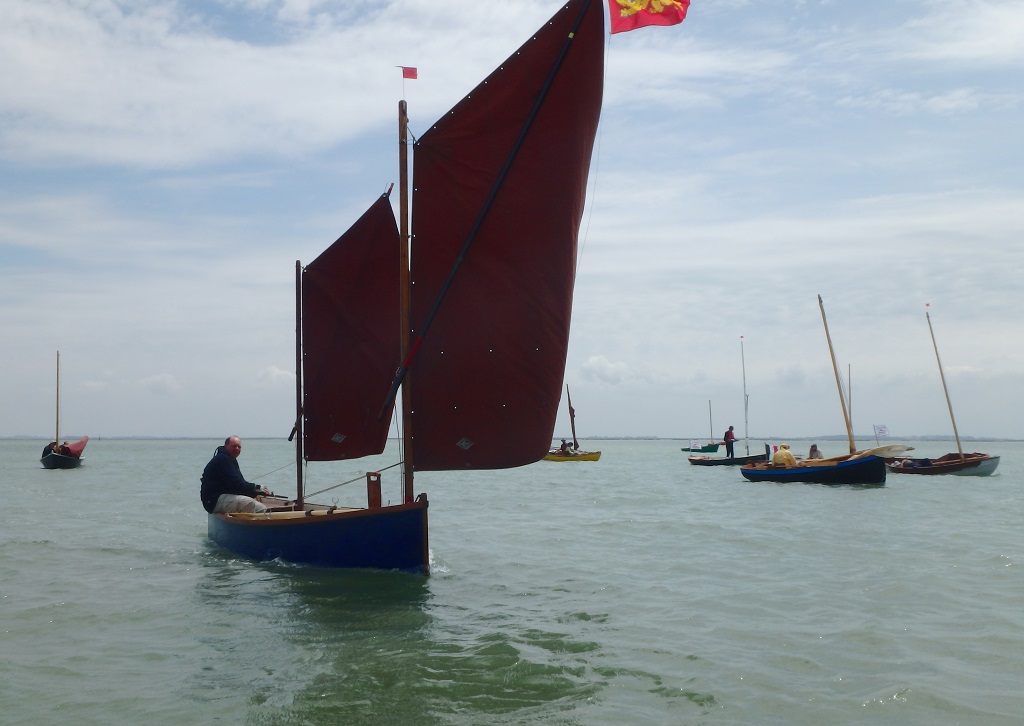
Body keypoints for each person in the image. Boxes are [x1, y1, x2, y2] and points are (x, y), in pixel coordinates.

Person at [200, 436, 270, 514]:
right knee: (250, 503)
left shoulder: (231, 460)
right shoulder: (222, 459)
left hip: (224, 496)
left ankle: (258, 524)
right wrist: (257, 488)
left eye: (239, 447)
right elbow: (236, 485)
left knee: (261, 507)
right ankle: (249, 526)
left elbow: (240, 484)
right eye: (233, 446)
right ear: (226, 446)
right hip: (213, 501)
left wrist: (256, 492)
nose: (237, 448)